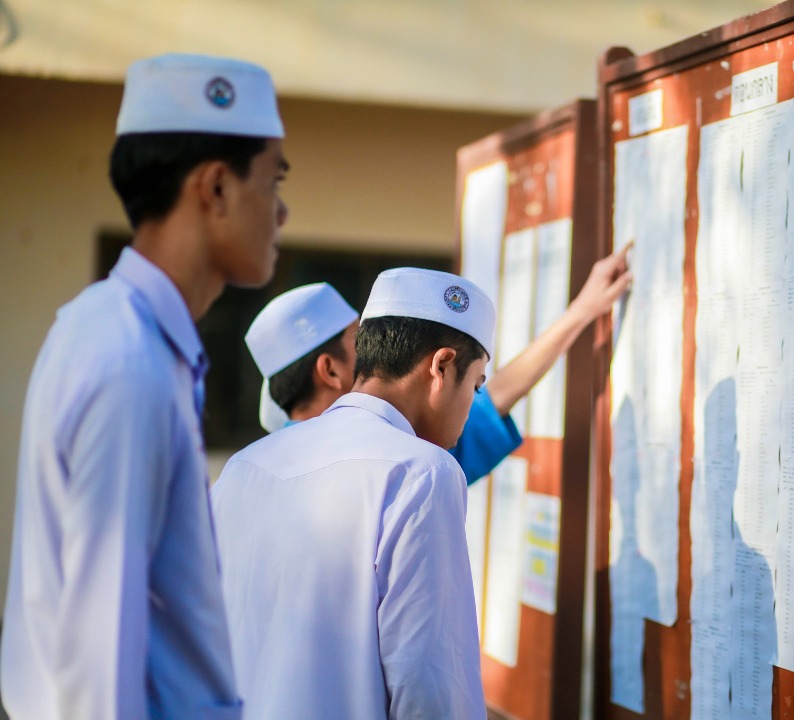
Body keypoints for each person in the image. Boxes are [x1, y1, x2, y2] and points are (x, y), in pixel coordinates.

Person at [1, 53, 288, 719]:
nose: (281, 211)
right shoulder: (129, 361)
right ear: (217, 187)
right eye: (273, 179)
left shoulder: (114, 330)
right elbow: (100, 657)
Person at [211, 268, 496, 719]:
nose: (473, 405)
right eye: (477, 384)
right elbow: (429, 686)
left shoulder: (244, 466)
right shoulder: (423, 472)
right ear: (442, 366)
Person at [243, 244, 632, 482]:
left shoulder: (248, 470)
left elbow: (491, 400)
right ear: (329, 370)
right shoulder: (416, 468)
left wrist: (582, 311)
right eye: (358, 342)